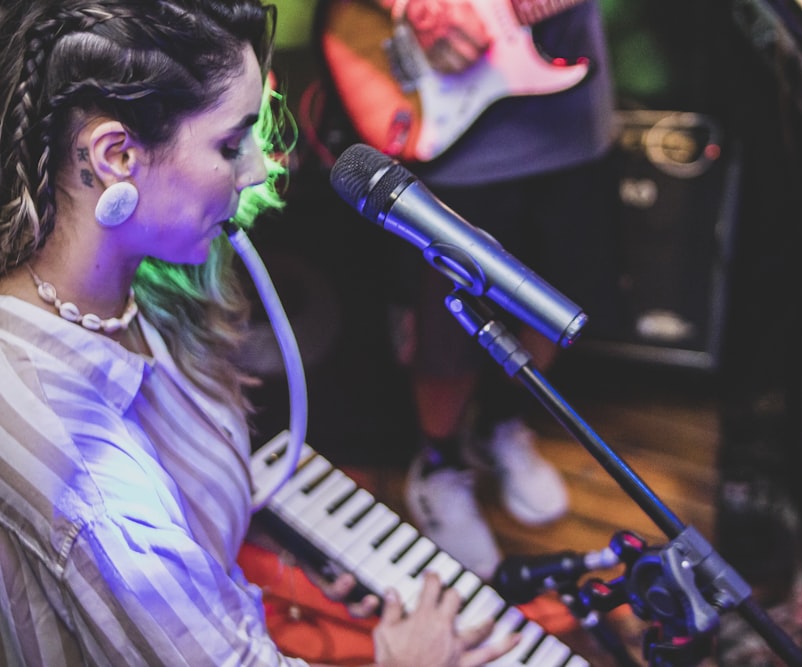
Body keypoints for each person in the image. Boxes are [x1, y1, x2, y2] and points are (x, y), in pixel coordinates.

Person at [0, 1, 520, 665]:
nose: (255, 169)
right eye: (229, 142)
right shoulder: (84, 478)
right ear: (114, 155)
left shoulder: (130, 290)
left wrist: (276, 551)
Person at [331, 0, 622, 579]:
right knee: (447, 326)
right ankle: (438, 463)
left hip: (571, 115)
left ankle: (502, 427)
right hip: (449, 111)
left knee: (553, 300)